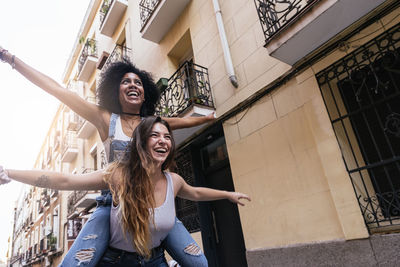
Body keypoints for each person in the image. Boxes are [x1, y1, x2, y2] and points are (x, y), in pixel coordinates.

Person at [0, 47, 215, 266]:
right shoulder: (105, 119)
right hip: (114, 204)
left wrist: (206, 119)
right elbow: (58, 90)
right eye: (126, 81)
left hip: (153, 203)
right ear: (115, 90)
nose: (133, 84)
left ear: (145, 94)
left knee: (199, 264)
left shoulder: (153, 124)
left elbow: (183, 121)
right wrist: (11, 59)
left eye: (138, 82)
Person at [0, 117, 251, 266]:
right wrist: (9, 173)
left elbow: (195, 193)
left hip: (153, 260)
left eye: (167, 136)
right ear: (141, 142)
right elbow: (66, 180)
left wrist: (228, 195)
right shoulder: (118, 175)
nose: (163, 140)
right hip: (117, 261)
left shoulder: (173, 180)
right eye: (154, 135)